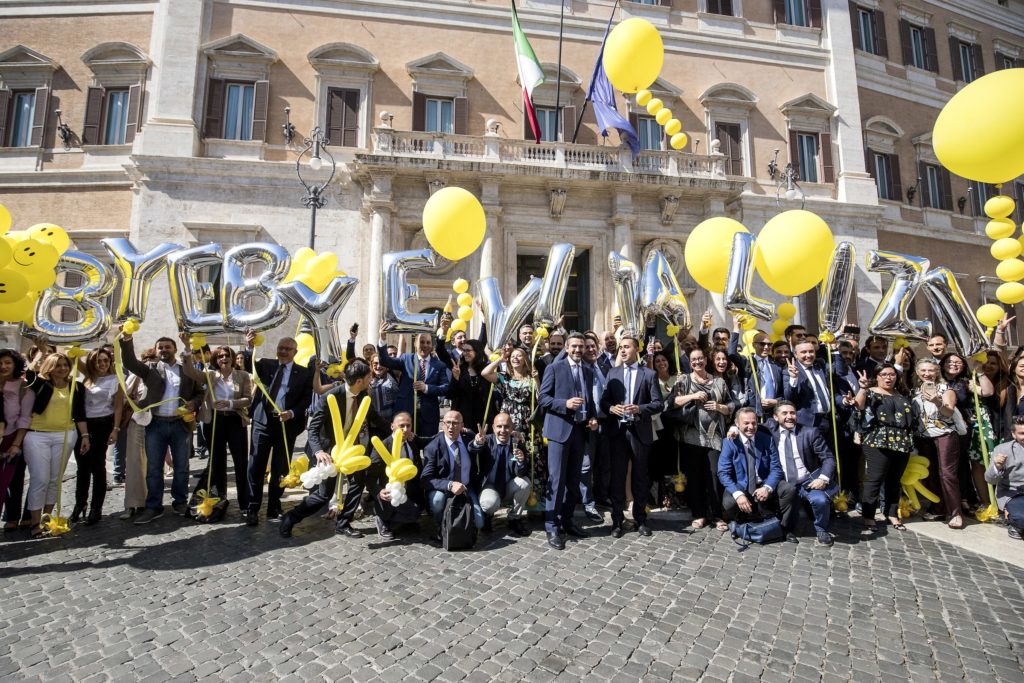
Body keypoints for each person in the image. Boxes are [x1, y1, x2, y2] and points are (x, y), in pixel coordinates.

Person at [279, 359, 387, 538]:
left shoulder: (363, 397)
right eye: (369, 377)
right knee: (323, 495)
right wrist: (319, 451)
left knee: (357, 484)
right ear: (359, 381)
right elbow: (313, 428)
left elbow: (374, 417)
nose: (371, 379)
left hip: (352, 451)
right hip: (329, 452)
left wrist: (392, 427)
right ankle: (291, 517)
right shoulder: (330, 397)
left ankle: (343, 523)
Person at [118, 329, 204, 524]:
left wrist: (194, 403)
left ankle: (180, 502)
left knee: (182, 467)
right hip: (155, 424)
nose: (164, 350)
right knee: (154, 468)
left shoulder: (186, 370)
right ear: (156, 351)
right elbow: (129, 362)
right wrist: (127, 339)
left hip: (179, 424)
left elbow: (199, 392)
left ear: (174, 349)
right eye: (160, 347)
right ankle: (153, 506)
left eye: (167, 347)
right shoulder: (150, 369)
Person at [244, 331, 314, 526]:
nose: (283, 351)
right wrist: (249, 346)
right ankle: (252, 507)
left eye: (287, 349)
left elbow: (306, 399)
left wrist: (291, 413)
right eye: (280, 348)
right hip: (262, 422)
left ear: (295, 351)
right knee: (256, 465)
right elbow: (249, 364)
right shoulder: (267, 365)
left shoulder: (304, 373)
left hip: (286, 426)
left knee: (280, 468)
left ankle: (274, 506)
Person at [539, 332, 598, 550]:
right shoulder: (555, 368)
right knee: (557, 480)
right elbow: (543, 398)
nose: (578, 350)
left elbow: (589, 400)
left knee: (573, 480)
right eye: (574, 346)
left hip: (580, 431)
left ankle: (567, 520)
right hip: (559, 431)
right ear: (566, 347)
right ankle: (552, 525)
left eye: (581, 347)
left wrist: (592, 417)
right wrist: (565, 404)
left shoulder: (589, 370)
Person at [180, 342, 253, 513]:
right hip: (214, 422)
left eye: (227, 355)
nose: (224, 358)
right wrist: (187, 348)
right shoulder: (210, 374)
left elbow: (248, 399)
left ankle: (245, 502)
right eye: (220, 356)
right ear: (215, 360)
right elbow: (189, 371)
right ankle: (220, 499)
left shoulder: (242, 376)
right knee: (218, 462)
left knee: (240, 462)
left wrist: (230, 403)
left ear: (233, 358)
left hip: (235, 420)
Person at [601, 336, 663, 538]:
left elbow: (658, 404)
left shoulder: (649, 374)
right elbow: (604, 402)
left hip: (639, 432)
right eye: (621, 348)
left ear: (637, 349)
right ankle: (617, 520)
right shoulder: (613, 373)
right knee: (618, 477)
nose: (623, 350)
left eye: (627, 347)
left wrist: (639, 408)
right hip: (618, 432)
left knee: (640, 477)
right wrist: (611, 408)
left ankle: (640, 519)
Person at [668, 346, 734, 531]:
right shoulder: (683, 380)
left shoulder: (719, 382)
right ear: (690, 363)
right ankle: (699, 514)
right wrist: (693, 395)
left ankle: (717, 515)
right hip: (691, 436)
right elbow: (672, 402)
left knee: (714, 476)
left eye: (700, 359)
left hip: (715, 437)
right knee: (695, 477)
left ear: (706, 360)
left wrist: (720, 407)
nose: (697, 362)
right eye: (693, 360)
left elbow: (731, 404)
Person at [24, 353, 88, 538]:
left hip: (66, 435)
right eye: (58, 365)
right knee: (40, 479)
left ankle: (47, 519)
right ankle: (34, 523)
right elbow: (28, 374)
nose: (62, 368)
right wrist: (42, 352)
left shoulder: (76, 386)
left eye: (65, 365)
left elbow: (80, 412)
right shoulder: (40, 384)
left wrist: (84, 436)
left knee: (54, 480)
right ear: (50, 367)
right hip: (37, 436)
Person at [716, 407, 797, 543]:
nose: (750, 427)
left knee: (789, 490)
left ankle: (784, 528)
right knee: (729, 502)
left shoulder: (766, 440)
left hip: (763, 483)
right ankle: (739, 523)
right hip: (741, 485)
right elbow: (723, 473)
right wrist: (738, 494)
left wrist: (767, 487)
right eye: (746, 423)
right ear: (737, 424)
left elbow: (776, 468)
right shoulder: (730, 442)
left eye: (753, 423)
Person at [852, 363, 916, 532]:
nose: (888, 377)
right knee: (875, 479)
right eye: (884, 374)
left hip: (901, 441)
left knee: (894, 480)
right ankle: (869, 515)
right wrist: (862, 388)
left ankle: (892, 513)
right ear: (877, 376)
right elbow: (858, 406)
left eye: (892, 374)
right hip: (877, 440)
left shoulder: (902, 394)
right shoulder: (871, 392)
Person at [770, 401, 839, 546]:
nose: (790, 416)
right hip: (784, 482)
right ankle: (786, 528)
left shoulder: (810, 432)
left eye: (793, 413)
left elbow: (828, 458)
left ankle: (821, 529)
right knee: (787, 498)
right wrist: (734, 428)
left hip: (807, 481)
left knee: (820, 500)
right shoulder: (770, 430)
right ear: (775, 417)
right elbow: (748, 424)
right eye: (785, 413)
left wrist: (823, 478)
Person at [910, 358, 963, 529]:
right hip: (923, 437)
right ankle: (938, 508)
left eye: (931, 370)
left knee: (947, 474)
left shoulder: (945, 389)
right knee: (930, 473)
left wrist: (937, 401)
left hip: (944, 435)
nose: (927, 374)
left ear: (937, 371)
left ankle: (955, 512)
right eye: (923, 371)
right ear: (918, 372)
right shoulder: (914, 391)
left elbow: (948, 412)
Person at [482, 345, 543, 493]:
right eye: (513, 356)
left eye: (519, 355)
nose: (515, 358)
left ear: (525, 360)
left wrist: (537, 380)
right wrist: (500, 359)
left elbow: (540, 398)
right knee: (510, 452)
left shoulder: (531, 377)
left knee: (530, 452)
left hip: (526, 420)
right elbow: (485, 373)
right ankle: (508, 489)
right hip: (508, 419)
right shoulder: (504, 376)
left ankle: (533, 492)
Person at [73, 348, 124, 525]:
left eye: (105, 360)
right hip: (83, 425)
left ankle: (96, 508)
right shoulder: (88, 377)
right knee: (82, 468)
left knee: (98, 467)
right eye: (98, 361)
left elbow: (118, 406)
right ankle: (80, 504)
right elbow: (73, 358)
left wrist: (115, 429)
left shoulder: (115, 379)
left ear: (110, 362)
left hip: (103, 424)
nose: (102, 364)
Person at [376, 322, 450, 438]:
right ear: (415, 343)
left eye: (428, 342)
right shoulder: (406, 359)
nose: (425, 345)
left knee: (428, 447)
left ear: (431, 345)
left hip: (428, 416)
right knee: (405, 446)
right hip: (406, 413)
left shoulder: (439, 365)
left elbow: (445, 388)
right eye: (422, 342)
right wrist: (382, 339)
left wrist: (426, 388)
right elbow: (385, 361)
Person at [421, 410, 484, 542]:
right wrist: (449, 485)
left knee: (479, 523)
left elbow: (476, 446)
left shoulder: (468, 437)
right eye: (447, 423)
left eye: (455, 423)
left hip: (466, 487)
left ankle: (467, 527)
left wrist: (479, 442)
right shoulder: (433, 447)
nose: (451, 427)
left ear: (462, 426)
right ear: (442, 425)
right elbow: (426, 479)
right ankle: (441, 525)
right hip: (444, 489)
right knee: (437, 502)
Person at [474, 412, 531, 536]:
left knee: (525, 483)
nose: (503, 430)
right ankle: (488, 516)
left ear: (512, 428)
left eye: (506, 426)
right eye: (499, 426)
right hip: (490, 485)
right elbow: (473, 449)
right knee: (489, 503)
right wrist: (477, 443)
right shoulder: (487, 440)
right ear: (493, 428)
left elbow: (521, 473)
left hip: (508, 485)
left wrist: (521, 461)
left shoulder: (517, 442)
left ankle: (514, 518)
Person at [371, 412, 425, 540]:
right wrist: (379, 492)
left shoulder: (412, 442)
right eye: (401, 426)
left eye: (408, 426)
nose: (405, 430)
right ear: (392, 427)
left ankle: (403, 518)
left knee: (415, 514)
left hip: (409, 491)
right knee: (402, 510)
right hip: (388, 492)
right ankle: (383, 518)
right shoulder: (382, 446)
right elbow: (370, 477)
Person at [118, 348, 154, 520]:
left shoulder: (163, 375)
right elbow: (124, 397)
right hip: (137, 422)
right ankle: (133, 503)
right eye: (146, 359)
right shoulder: (135, 376)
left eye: (153, 359)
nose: (150, 362)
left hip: (158, 423)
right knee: (134, 464)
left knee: (154, 465)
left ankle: (152, 501)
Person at [784, 340, 848, 435]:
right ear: (796, 355)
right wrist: (794, 378)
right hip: (808, 423)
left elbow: (840, 372)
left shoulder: (820, 366)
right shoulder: (789, 371)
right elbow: (789, 398)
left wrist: (843, 401)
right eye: (804, 352)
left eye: (811, 351)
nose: (808, 355)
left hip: (828, 420)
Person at [0, 349, 33, 533]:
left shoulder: (23, 387)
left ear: (15, 365)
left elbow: (24, 418)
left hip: (12, 439)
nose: (3, 366)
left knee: (11, 480)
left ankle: (13, 517)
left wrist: (15, 444)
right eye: (0, 363)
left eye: (8, 363)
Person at [985, 416, 1024, 539]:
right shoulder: (1003, 450)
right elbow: (990, 479)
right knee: (1020, 518)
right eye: (1022, 433)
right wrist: (997, 467)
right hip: (1014, 494)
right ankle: (1013, 521)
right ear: (1013, 434)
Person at [449, 339, 496, 432]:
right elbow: (451, 394)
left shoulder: (485, 370)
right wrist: (456, 378)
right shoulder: (459, 369)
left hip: (484, 416)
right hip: (464, 416)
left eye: (468, 350)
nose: (465, 353)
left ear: (477, 351)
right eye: (464, 350)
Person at [369, 354, 399, 424]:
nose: (378, 366)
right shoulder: (367, 380)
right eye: (375, 363)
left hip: (390, 422)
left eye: (381, 363)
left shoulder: (393, 376)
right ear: (371, 365)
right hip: (373, 424)